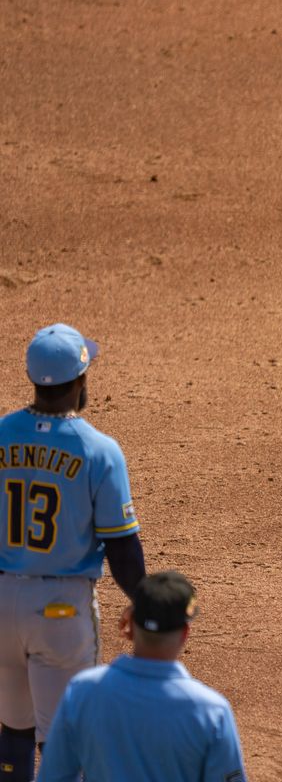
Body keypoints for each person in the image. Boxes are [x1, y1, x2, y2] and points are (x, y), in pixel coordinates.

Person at [0, 323, 146, 781]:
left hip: (2, 605)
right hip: (61, 612)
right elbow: (121, 546)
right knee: (66, 740)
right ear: (81, 382)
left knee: (12, 731)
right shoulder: (99, 451)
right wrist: (144, 600)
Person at [36, 570, 247, 781]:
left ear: (130, 626)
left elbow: (53, 776)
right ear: (185, 632)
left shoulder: (82, 692)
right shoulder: (211, 711)